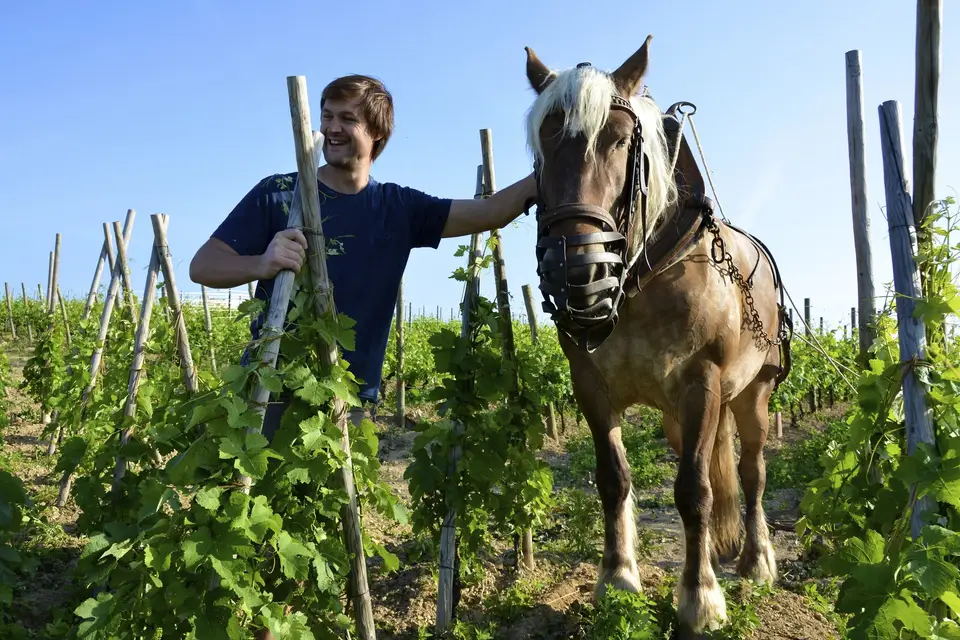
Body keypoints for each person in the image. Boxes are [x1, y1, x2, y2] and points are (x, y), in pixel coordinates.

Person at [189, 73, 536, 433]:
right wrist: (262, 263)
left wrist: (552, 173)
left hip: (350, 396)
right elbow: (203, 266)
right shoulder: (277, 193)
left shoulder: (397, 208)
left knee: (338, 487)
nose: (332, 128)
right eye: (326, 116)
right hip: (271, 386)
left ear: (377, 134)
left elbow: (492, 211)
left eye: (347, 118)